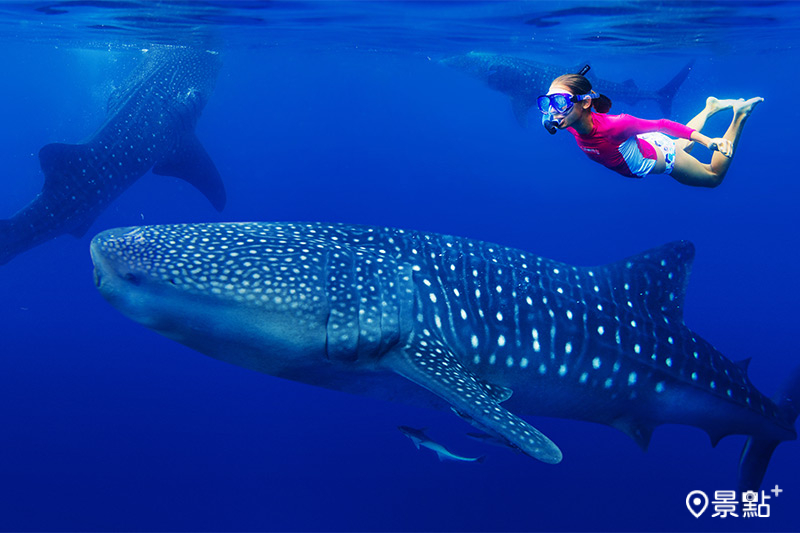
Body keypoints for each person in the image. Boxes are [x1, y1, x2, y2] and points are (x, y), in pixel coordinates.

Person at [538, 73, 762, 187]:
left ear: (586, 102)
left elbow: (663, 125)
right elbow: (551, 118)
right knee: (681, 145)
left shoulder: (616, 125)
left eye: (559, 102)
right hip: (647, 145)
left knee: (713, 177)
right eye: (548, 104)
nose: (553, 112)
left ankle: (740, 114)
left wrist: (708, 142)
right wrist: (555, 109)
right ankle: (710, 108)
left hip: (664, 157)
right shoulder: (567, 121)